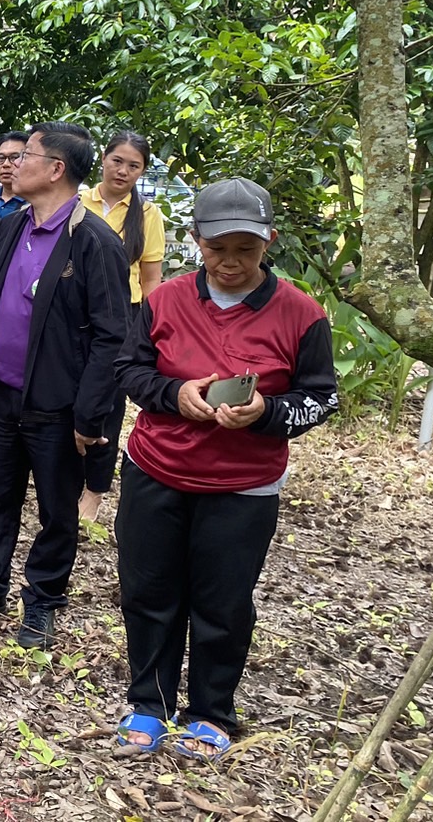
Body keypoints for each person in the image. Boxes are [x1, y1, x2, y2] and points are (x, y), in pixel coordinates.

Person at [112, 178, 337, 758]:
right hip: (157, 468)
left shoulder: (301, 315)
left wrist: (266, 413)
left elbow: (321, 397)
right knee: (148, 590)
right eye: (218, 248)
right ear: (196, 242)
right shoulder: (163, 301)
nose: (230, 262)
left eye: (246, 249)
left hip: (243, 485)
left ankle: (210, 711)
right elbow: (130, 371)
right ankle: (149, 705)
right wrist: (174, 393)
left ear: (269, 243)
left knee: (224, 601)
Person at [0, 122, 128, 649]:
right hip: (1, 393)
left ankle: (42, 600)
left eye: (26, 156)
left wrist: (88, 416)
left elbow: (113, 338)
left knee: (55, 510)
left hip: (58, 406)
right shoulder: (13, 225)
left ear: (56, 169)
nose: (13, 164)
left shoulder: (93, 242)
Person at [78, 130, 167, 522]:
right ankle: (64, 475)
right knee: (66, 394)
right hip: (71, 312)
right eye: (118, 161)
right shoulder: (79, 201)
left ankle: (94, 489)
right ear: (103, 159)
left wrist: (149, 329)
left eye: (134, 166)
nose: (123, 171)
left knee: (107, 405)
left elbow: (151, 279)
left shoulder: (147, 216)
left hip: (122, 317)